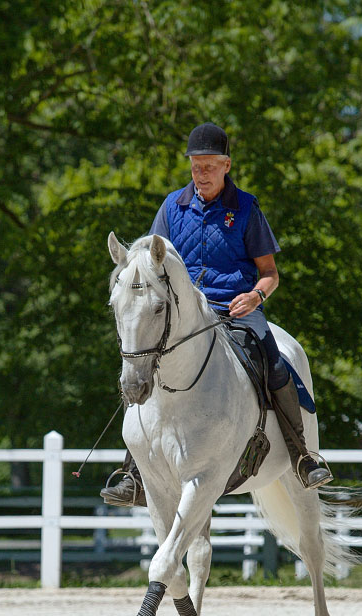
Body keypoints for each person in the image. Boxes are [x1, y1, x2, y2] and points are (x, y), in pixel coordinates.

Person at [101, 122, 333, 506]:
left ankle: (301, 455)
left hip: (235, 306)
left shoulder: (246, 208)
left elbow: (270, 273)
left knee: (274, 362)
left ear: (226, 165)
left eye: (209, 166)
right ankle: (134, 471)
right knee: (142, 362)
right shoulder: (173, 206)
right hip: (183, 314)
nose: (201, 174)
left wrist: (256, 297)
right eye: (195, 166)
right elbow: (147, 262)